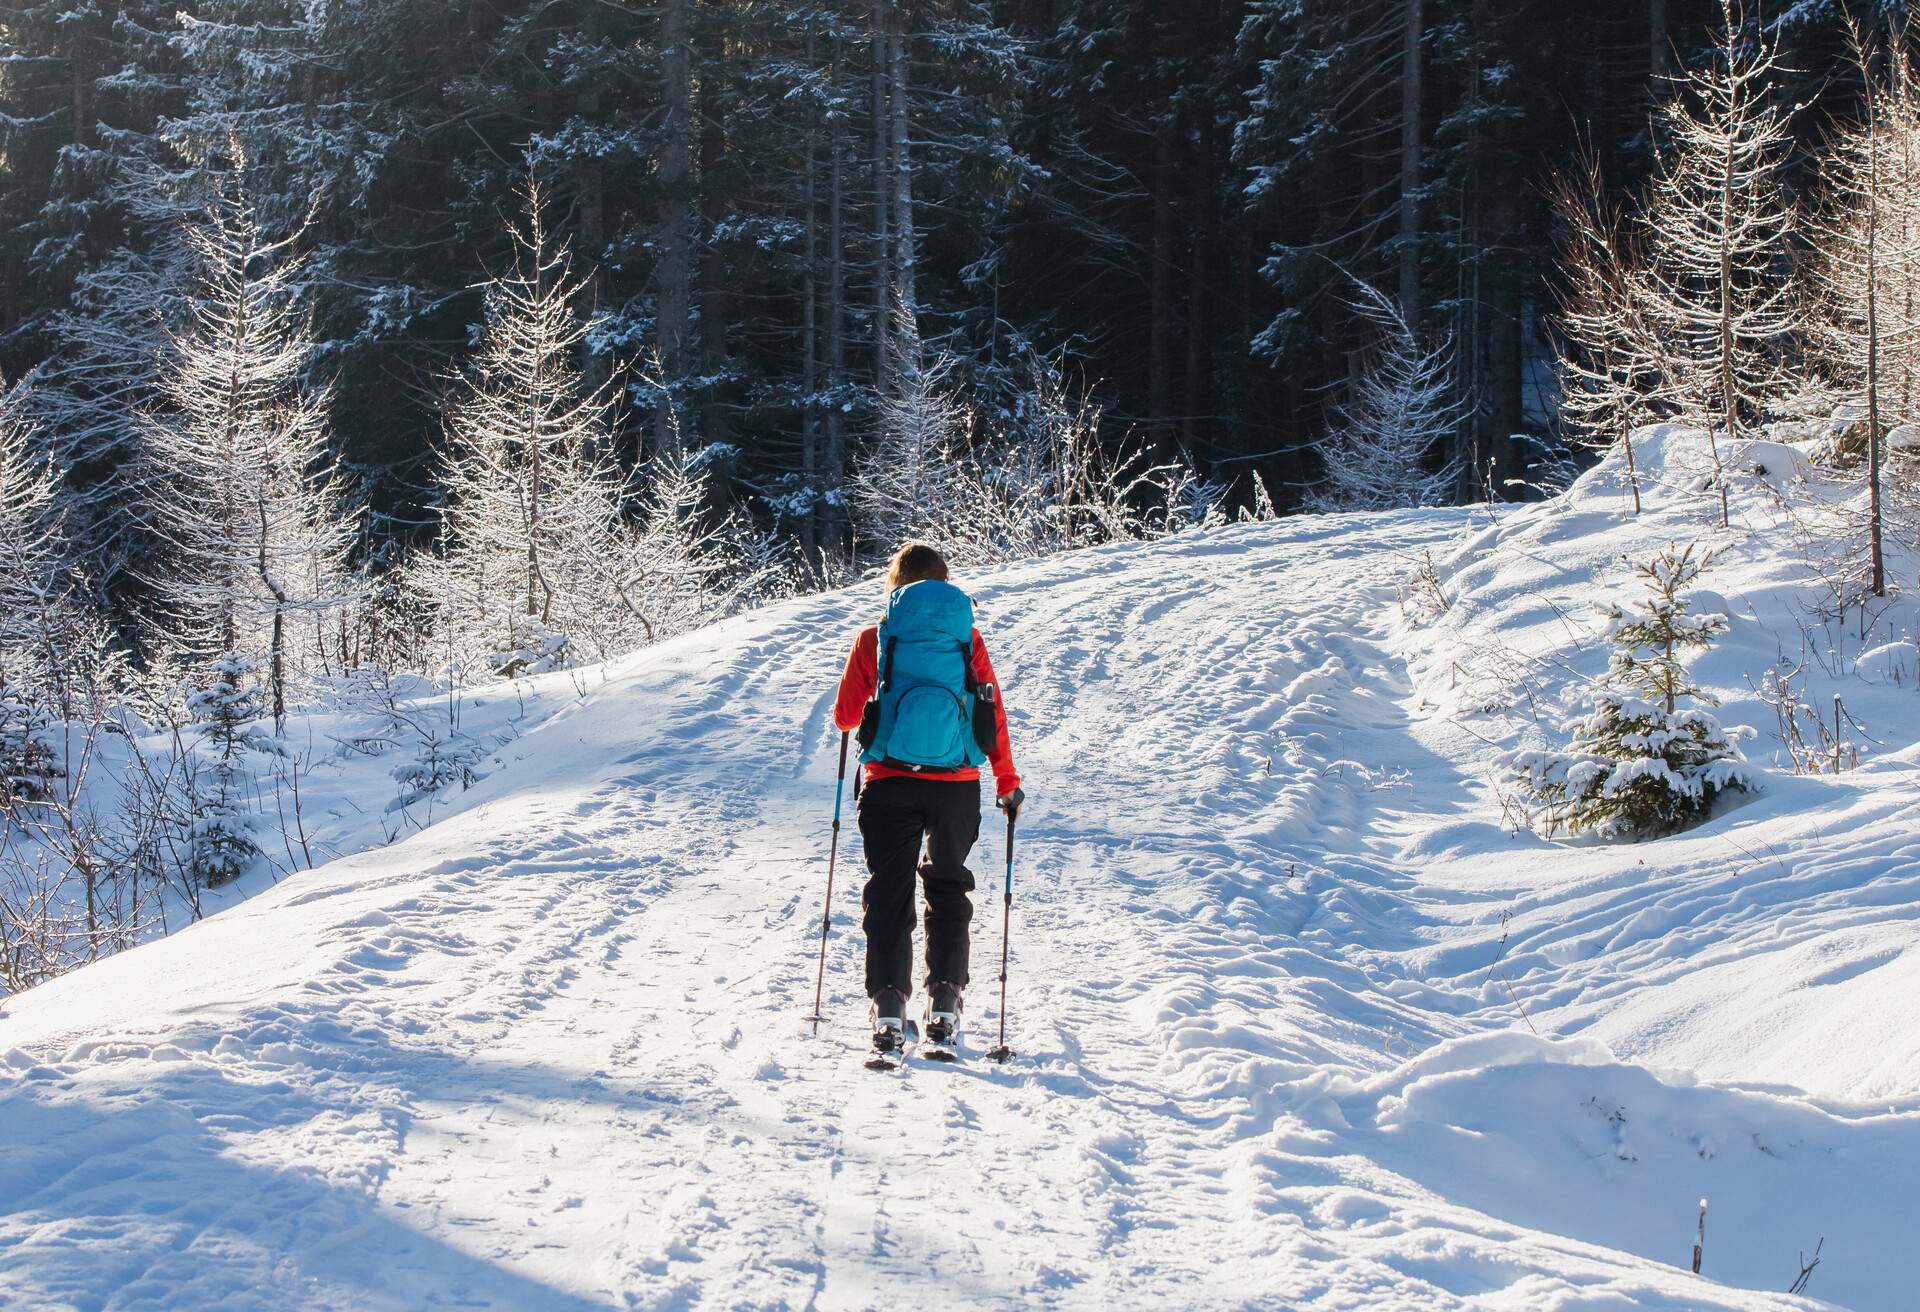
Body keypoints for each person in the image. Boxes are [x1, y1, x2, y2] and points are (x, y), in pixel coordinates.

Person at [832, 542, 1023, 1056]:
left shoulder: (876, 638)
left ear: (895, 585)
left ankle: (889, 1009)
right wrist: (1007, 780)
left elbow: (845, 718)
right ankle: (944, 1002)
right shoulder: (967, 640)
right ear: (943, 584)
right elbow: (992, 713)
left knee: (890, 893)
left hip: (887, 783)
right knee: (946, 886)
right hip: (956, 786)